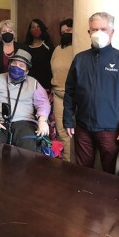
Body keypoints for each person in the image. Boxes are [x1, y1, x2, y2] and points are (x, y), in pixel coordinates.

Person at [64, 12, 119, 174]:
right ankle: (84, 198)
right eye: (94, 29)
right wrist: (68, 120)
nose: (98, 33)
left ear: (112, 32)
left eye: (104, 29)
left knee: (111, 173)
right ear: (89, 32)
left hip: (111, 129)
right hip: (83, 127)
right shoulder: (80, 59)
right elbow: (70, 91)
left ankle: (108, 200)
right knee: (82, 171)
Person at [0, 49, 50, 151]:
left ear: (26, 71)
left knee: (28, 149)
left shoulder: (34, 83)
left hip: (23, 123)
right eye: (14, 63)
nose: (16, 67)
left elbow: (43, 103)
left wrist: (42, 119)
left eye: (21, 65)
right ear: (9, 65)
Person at [50, 18, 73, 161]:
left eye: (68, 31)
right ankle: (66, 164)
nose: (65, 33)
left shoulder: (80, 47)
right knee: (61, 132)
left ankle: (74, 166)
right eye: (62, 32)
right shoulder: (58, 49)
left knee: (74, 133)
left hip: (74, 97)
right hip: (58, 95)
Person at [24, 18, 54, 91]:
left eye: (38, 26)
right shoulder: (25, 46)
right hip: (29, 84)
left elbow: (52, 65)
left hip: (45, 84)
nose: (36, 29)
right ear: (30, 30)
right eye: (33, 27)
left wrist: (50, 86)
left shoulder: (48, 45)